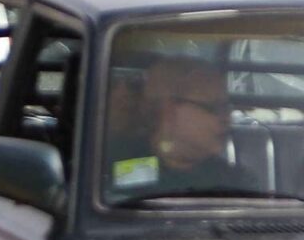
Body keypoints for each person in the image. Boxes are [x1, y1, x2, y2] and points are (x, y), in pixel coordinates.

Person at [107, 57, 258, 197]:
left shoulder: (237, 183)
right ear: (169, 110)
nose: (226, 119)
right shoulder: (111, 169)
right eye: (214, 107)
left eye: (227, 108)